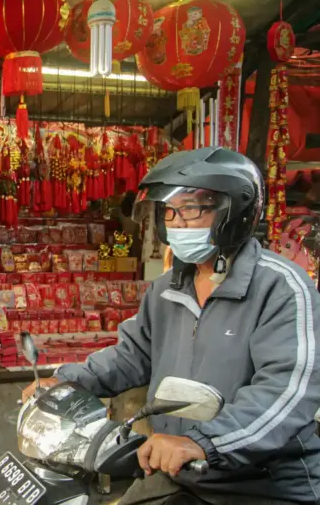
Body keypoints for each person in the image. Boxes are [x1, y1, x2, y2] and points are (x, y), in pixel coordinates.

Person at [24, 147, 320, 505]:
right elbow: (131, 356)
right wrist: (67, 380)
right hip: (178, 474)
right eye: (170, 212)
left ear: (233, 212)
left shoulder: (281, 287)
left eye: (192, 209)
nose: (177, 223)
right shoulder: (167, 288)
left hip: (262, 483)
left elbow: (286, 391)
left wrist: (203, 442)